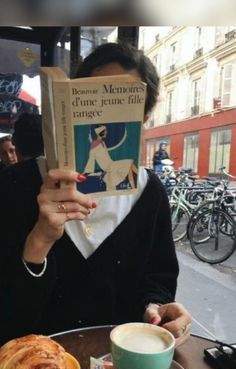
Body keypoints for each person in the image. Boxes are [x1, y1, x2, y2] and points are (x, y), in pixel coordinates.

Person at [0, 42, 191, 346]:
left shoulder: (149, 193)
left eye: (124, 103)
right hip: (35, 366)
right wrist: (40, 240)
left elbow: (158, 280)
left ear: (143, 117)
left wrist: (156, 310)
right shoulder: (15, 184)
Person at [84, 124, 138, 190]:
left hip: (112, 164)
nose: (106, 132)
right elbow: (91, 158)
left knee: (130, 166)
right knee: (130, 163)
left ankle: (133, 188)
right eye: (104, 130)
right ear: (99, 132)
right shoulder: (94, 143)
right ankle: (136, 183)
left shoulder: (103, 143)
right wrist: (87, 172)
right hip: (108, 167)